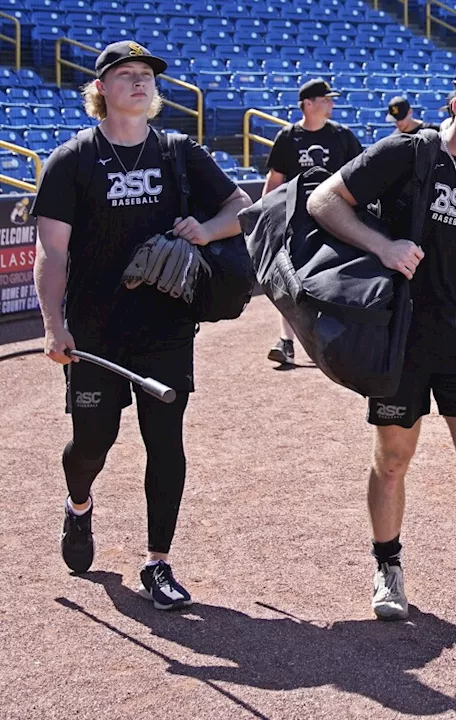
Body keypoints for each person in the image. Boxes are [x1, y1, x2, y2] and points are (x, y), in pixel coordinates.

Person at [306, 58, 456, 644]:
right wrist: (383, 244)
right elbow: (323, 202)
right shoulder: (406, 154)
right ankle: (387, 565)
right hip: (401, 338)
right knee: (393, 458)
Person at [32, 41, 251, 607]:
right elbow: (51, 253)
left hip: (166, 326)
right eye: (126, 75)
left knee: (166, 441)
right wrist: (54, 326)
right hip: (95, 331)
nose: (140, 83)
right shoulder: (71, 160)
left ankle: (158, 562)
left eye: (147, 76)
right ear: (100, 88)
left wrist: (207, 230)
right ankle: (78, 504)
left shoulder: (179, 151)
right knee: (92, 442)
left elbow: (239, 207)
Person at [262, 79, 364, 364]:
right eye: (325, 99)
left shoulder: (343, 136)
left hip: (338, 218)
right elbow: (275, 181)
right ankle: (286, 342)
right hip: (297, 220)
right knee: (289, 279)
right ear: (308, 103)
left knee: (341, 279)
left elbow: (361, 175)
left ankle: (340, 341)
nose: (331, 103)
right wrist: (267, 217)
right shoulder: (287, 137)